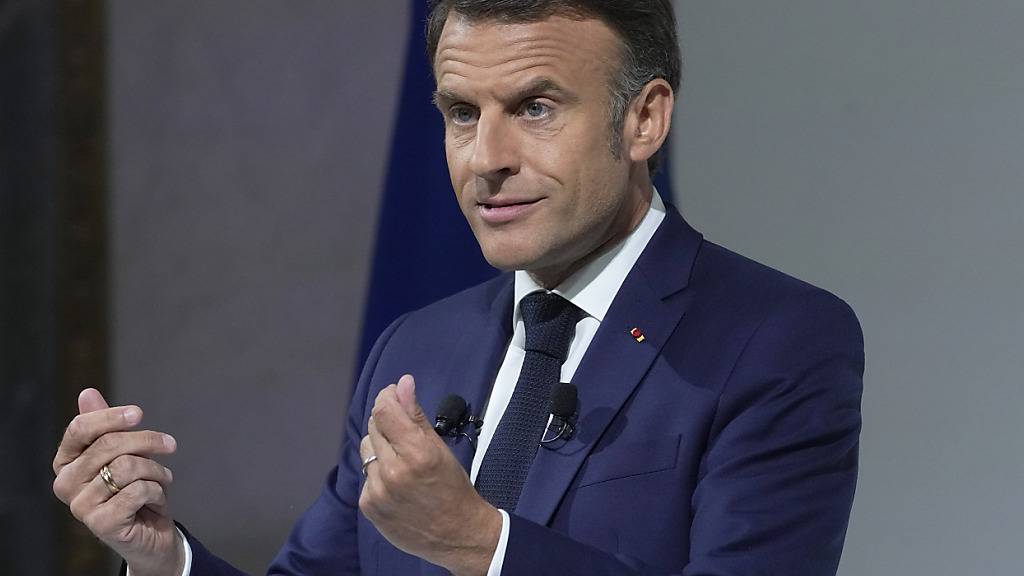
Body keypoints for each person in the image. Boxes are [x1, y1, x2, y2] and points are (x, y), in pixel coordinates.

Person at [52, 1, 864, 574]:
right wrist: (165, 559)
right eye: (462, 112)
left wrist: (482, 544)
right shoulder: (416, 346)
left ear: (643, 120)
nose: (487, 158)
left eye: (535, 107)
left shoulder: (777, 340)